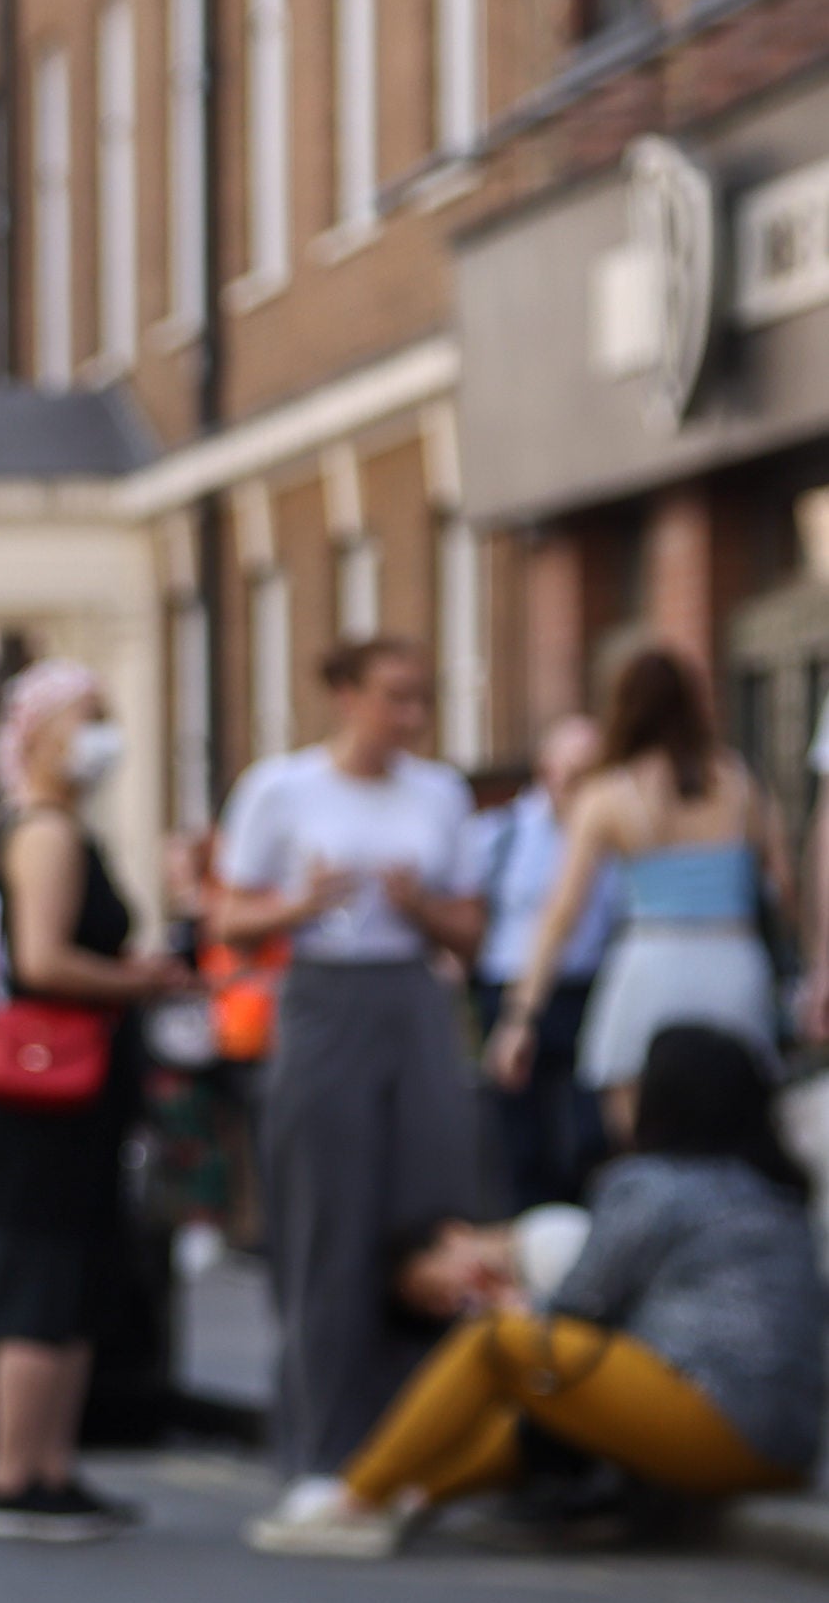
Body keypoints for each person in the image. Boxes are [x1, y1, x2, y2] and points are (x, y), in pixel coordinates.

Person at [261, 1025, 821, 1554]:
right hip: (787, 1445)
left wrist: (512, 1309)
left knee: (499, 1341)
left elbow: (580, 1310)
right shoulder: (771, 1192)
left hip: (714, 1416)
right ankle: (410, 1495)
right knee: (545, 1396)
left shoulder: (651, 1183)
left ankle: (357, 1496)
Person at [224, 636, 494, 1552]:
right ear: (344, 696)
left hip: (411, 997)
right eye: (393, 697)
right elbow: (226, 916)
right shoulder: (282, 789)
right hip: (323, 996)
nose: (409, 717)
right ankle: (320, 1458)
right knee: (325, 1229)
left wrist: (418, 906)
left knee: (428, 1220)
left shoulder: (441, 793)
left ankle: (413, 1452)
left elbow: (469, 932)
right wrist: (299, 905)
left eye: (421, 699)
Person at [0, 666, 197, 1540]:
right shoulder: (46, 833)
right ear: (46, 730)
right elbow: (43, 960)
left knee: (78, 1266)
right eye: (90, 718)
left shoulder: (64, 829)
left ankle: (50, 1465)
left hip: (85, 1093)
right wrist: (139, 980)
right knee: (39, 1274)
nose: (104, 735)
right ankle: (13, 1471)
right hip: (49, 1092)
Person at [491, 643, 791, 1146]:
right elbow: (782, 885)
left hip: (651, 963)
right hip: (733, 961)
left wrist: (520, 1017)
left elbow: (560, 913)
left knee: (638, 1133)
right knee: (739, 1128)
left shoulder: (610, 795)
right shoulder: (740, 781)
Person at [470, 717, 619, 1211]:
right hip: (512, 990)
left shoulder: (613, 834)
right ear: (544, 772)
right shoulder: (500, 834)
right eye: (572, 774)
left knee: (591, 1125)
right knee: (520, 1128)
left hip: (591, 988)